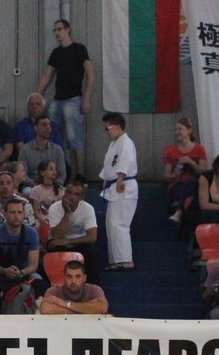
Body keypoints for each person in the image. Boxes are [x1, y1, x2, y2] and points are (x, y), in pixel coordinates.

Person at [36, 19, 94, 180]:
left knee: (74, 137)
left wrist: (86, 98)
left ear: (68, 29)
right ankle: (61, 171)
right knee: (54, 135)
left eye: (59, 29)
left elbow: (90, 74)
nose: (57, 33)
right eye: (54, 30)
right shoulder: (56, 53)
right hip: (57, 100)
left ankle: (80, 174)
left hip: (73, 99)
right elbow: (47, 76)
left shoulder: (79, 49)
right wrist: (37, 95)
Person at [99, 112, 138, 272]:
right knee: (112, 224)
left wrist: (120, 178)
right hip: (114, 186)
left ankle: (125, 260)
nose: (106, 132)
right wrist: (105, 181)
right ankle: (116, 260)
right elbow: (109, 167)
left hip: (123, 186)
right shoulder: (115, 144)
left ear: (116, 127)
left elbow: (125, 161)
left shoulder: (126, 143)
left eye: (107, 128)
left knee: (119, 224)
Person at [0, 196, 42, 298]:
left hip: (24, 275)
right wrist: (5, 271)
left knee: (37, 278)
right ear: (5, 214)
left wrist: (21, 272)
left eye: (20, 212)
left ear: (24, 214)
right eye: (12, 212)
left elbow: (33, 265)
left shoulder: (32, 234)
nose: (16, 216)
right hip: (0, 275)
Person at [164, 118, 207, 223]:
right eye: (175, 129)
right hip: (178, 184)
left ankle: (179, 212)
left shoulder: (199, 149)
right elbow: (165, 176)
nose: (177, 132)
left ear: (189, 130)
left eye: (180, 129)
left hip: (195, 185)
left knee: (191, 182)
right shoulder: (171, 151)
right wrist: (173, 175)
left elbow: (204, 172)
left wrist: (190, 162)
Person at [38, 258, 107, 315]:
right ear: (64, 277)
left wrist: (67, 304)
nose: (73, 281)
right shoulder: (54, 291)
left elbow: (103, 308)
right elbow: (45, 308)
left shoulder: (94, 289)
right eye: (69, 276)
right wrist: (86, 310)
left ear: (84, 278)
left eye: (78, 276)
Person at [17, 116, 68, 188]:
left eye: (49, 125)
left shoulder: (57, 149)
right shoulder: (25, 149)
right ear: (35, 128)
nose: (48, 127)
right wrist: (36, 186)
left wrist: (54, 187)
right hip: (31, 187)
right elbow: (22, 174)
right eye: (44, 125)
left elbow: (62, 174)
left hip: (53, 186)